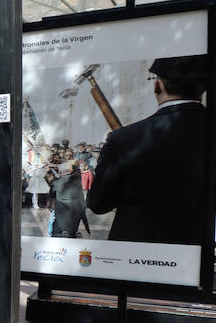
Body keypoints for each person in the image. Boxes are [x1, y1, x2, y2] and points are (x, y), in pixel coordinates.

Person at [88, 55, 209, 244]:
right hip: (202, 247)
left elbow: (98, 203)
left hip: (139, 248)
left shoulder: (123, 139)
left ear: (157, 85)